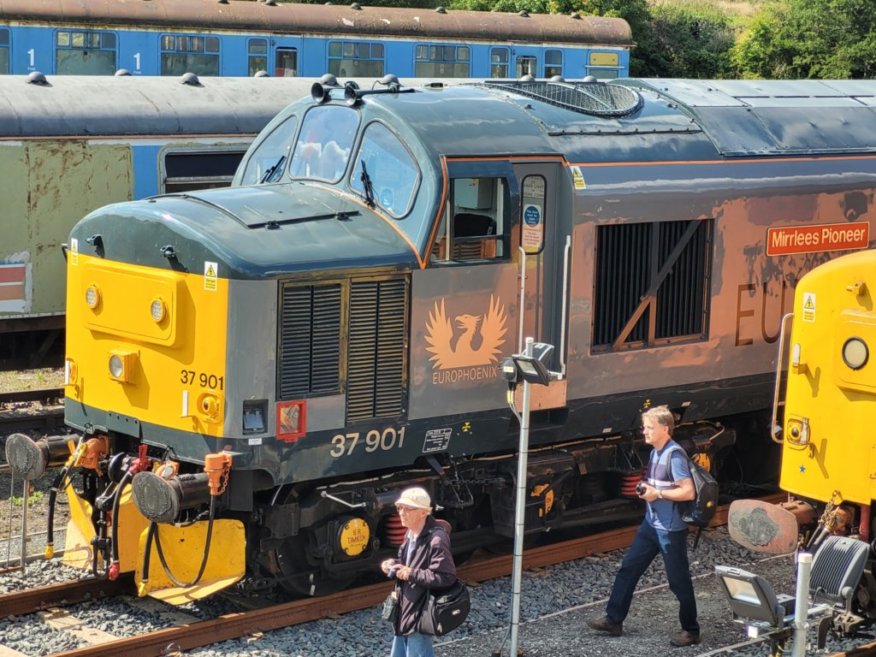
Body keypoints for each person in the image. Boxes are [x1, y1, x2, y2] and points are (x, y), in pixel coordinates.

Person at [587, 405, 701, 647]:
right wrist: (646, 489)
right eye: (644, 427)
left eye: (649, 427)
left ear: (665, 429)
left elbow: (688, 491)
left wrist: (656, 493)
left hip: (670, 529)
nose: (644, 431)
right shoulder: (654, 453)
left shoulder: (674, 455)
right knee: (628, 569)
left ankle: (691, 630)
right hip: (651, 525)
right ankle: (613, 619)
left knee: (678, 581)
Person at [381, 487, 456, 657]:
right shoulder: (410, 534)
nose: (401, 513)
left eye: (407, 509)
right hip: (405, 608)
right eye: (399, 508)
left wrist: (411, 573)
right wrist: (393, 566)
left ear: (423, 512)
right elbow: (406, 565)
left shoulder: (437, 540)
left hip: (420, 611)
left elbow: (447, 577)